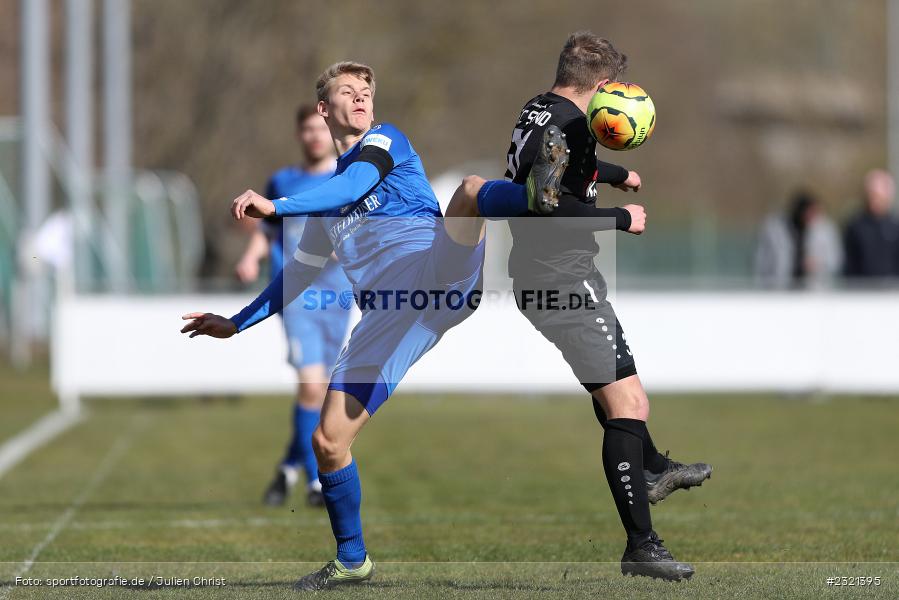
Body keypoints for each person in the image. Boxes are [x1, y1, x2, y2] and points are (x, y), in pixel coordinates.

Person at [181, 61, 561, 590]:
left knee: (472, 190)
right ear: (323, 108)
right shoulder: (326, 209)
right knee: (328, 440)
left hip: (436, 267)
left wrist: (276, 205)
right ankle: (352, 559)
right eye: (347, 92)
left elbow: (354, 183)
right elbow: (295, 278)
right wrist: (235, 323)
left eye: (366, 92)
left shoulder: (385, 140)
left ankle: (539, 197)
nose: (360, 99)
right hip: (389, 314)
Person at [444, 32, 711, 581]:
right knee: (629, 404)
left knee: (619, 397)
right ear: (605, 85)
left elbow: (559, 171)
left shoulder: (542, 108)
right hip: (561, 279)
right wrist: (619, 218)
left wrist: (616, 174)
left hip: (556, 277)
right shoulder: (563, 124)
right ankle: (642, 546)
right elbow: (545, 203)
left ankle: (655, 469)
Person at [233, 105, 352, 508]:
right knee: (311, 386)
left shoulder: (347, 178)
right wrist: (252, 257)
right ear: (299, 134)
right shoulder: (283, 180)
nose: (315, 136)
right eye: (307, 129)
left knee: (323, 394)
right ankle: (319, 481)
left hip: (338, 298)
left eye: (321, 129)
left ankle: (287, 469)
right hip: (295, 294)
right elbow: (268, 229)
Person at [755, 189, 842, 289]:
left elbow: (836, 261)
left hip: (813, 293)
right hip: (780, 291)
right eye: (809, 212)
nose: (812, 217)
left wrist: (818, 264)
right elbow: (761, 261)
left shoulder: (826, 229)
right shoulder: (774, 229)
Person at [843, 169, 899, 280]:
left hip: (892, 292)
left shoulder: (895, 226)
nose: (876, 200)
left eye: (879, 196)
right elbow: (850, 265)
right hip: (863, 292)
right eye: (873, 195)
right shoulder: (855, 226)